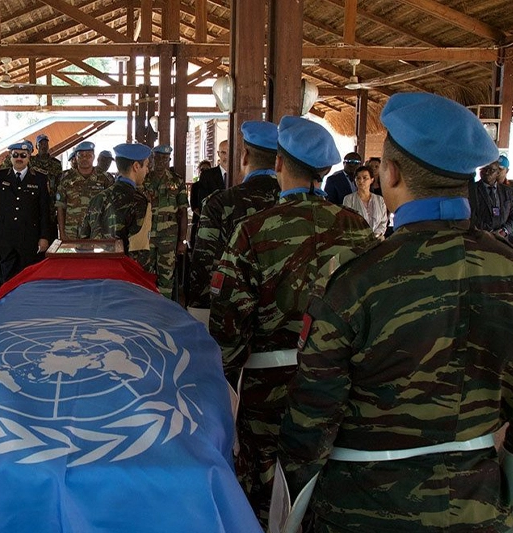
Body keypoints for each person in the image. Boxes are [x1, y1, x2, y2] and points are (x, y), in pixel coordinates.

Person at [277, 92, 511, 533]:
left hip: (363, 506)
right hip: (480, 504)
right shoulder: (507, 268)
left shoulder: (356, 280)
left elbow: (311, 418)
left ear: (391, 173)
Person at [209, 116, 375, 527]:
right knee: (323, 477)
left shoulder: (253, 230)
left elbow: (228, 326)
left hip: (268, 388)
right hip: (339, 383)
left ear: (279, 163)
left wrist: (227, 378)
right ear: (325, 170)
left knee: (265, 486)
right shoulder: (357, 229)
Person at [188, 121, 280, 316]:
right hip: (287, 317)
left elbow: (203, 263)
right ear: (279, 161)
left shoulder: (220, 203)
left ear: (244, 156)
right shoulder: (297, 204)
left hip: (232, 314)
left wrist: (199, 312)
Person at [0, 142, 51, 282]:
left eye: (23, 155)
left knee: (27, 277)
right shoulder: (0, 175)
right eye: (15, 155)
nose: (19, 158)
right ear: (10, 157)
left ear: (29, 157)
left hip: (29, 237)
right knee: (7, 277)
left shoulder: (39, 178)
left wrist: (44, 237)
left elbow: (44, 210)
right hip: (5, 236)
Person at [79, 143, 152, 270]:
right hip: (121, 273)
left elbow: (83, 238)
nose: (147, 170)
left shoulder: (98, 198)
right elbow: (139, 251)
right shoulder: (139, 201)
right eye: (146, 165)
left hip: (96, 269)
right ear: (136, 166)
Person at [142, 145, 188, 298]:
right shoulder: (144, 179)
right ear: (152, 159)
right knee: (145, 273)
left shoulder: (177, 180)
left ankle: (165, 306)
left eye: (165, 158)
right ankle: (147, 305)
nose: (161, 161)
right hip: (147, 234)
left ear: (169, 160)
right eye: (157, 158)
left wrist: (182, 240)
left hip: (169, 235)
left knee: (167, 275)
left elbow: (183, 212)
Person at [56, 141, 114, 240]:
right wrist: (62, 233)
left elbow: (111, 208)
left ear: (94, 157)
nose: (85, 158)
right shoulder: (66, 179)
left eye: (88, 155)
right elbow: (60, 206)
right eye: (81, 155)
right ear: (76, 157)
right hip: (72, 233)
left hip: (97, 233)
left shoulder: (105, 179)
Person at [468, 159, 513, 241]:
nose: (487, 172)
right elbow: (468, 214)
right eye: (483, 169)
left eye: (491, 170)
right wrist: (485, 232)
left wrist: (504, 231)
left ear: (498, 173)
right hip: (479, 237)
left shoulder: (508, 192)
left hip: (503, 238)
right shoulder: (471, 190)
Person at [29, 133, 62, 243]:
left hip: (50, 205)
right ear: (36, 146)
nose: (43, 146)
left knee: (51, 238)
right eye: (41, 144)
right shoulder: (30, 161)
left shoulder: (56, 164)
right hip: (33, 203)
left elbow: (60, 184)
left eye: (45, 143)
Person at [343, 165, 388, 239]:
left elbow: (383, 222)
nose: (361, 181)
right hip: (356, 239)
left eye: (365, 178)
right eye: (358, 178)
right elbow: (347, 221)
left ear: (372, 180)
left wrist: (375, 235)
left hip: (377, 239)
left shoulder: (380, 200)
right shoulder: (349, 199)